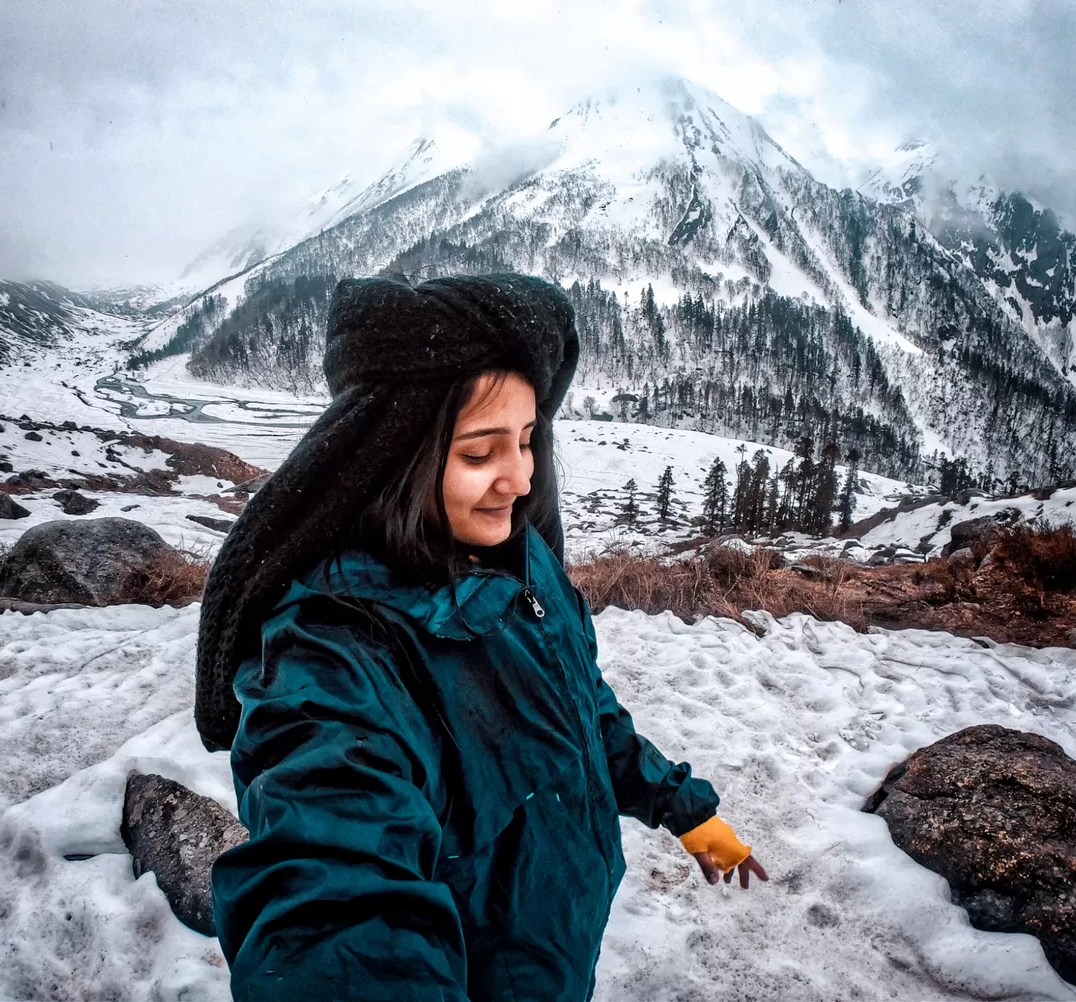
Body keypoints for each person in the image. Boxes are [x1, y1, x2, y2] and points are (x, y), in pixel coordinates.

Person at [196, 274, 767, 1002]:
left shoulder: (526, 564)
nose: (520, 480)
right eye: (478, 454)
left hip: (553, 955)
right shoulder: (337, 647)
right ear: (397, 454)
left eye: (528, 442)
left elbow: (584, 710)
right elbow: (334, 886)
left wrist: (680, 805)